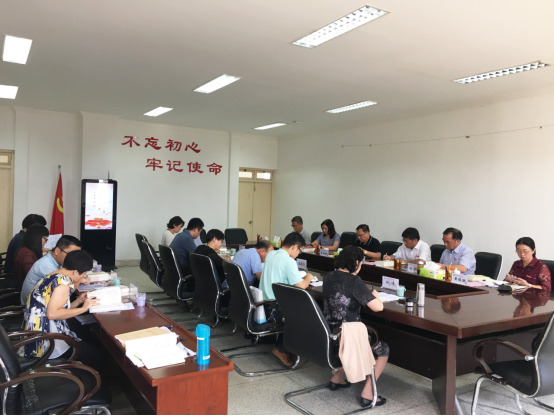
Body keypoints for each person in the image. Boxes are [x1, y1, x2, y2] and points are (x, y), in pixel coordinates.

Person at [323, 246, 389, 408]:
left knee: (347, 340)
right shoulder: (354, 280)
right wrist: (375, 296)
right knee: (383, 349)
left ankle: (337, 378)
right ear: (357, 263)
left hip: (330, 332)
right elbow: (378, 307)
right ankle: (368, 394)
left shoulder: (328, 276)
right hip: (348, 335)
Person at [19, 250, 105, 371]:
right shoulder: (63, 284)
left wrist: (78, 301)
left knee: (85, 335)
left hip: (33, 333)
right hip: (44, 341)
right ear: (75, 272)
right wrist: (83, 308)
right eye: (83, 274)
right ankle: (90, 379)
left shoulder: (53, 276)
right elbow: (53, 314)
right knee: (97, 355)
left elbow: (59, 308)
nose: (82, 278)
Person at [260, 232, 315, 366]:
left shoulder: (271, 254)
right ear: (295, 247)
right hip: (275, 309)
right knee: (306, 313)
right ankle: (281, 349)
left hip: (262, 304)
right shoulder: (289, 261)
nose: (298, 254)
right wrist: (308, 277)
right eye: (299, 250)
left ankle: (285, 345)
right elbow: (301, 286)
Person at [21, 235, 82, 305]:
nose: (74, 258)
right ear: (57, 251)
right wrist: (80, 278)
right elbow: (66, 291)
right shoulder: (46, 266)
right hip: (34, 306)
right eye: (71, 254)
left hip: (44, 300)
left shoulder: (56, 260)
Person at [171, 218, 204, 291]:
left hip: (175, 267)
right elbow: (197, 255)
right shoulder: (187, 238)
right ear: (195, 230)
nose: (199, 234)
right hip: (182, 268)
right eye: (200, 232)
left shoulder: (181, 235)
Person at [13, 225, 50, 290]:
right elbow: (33, 278)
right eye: (45, 239)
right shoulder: (28, 255)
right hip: (26, 289)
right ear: (37, 238)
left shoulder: (27, 249)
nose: (46, 242)